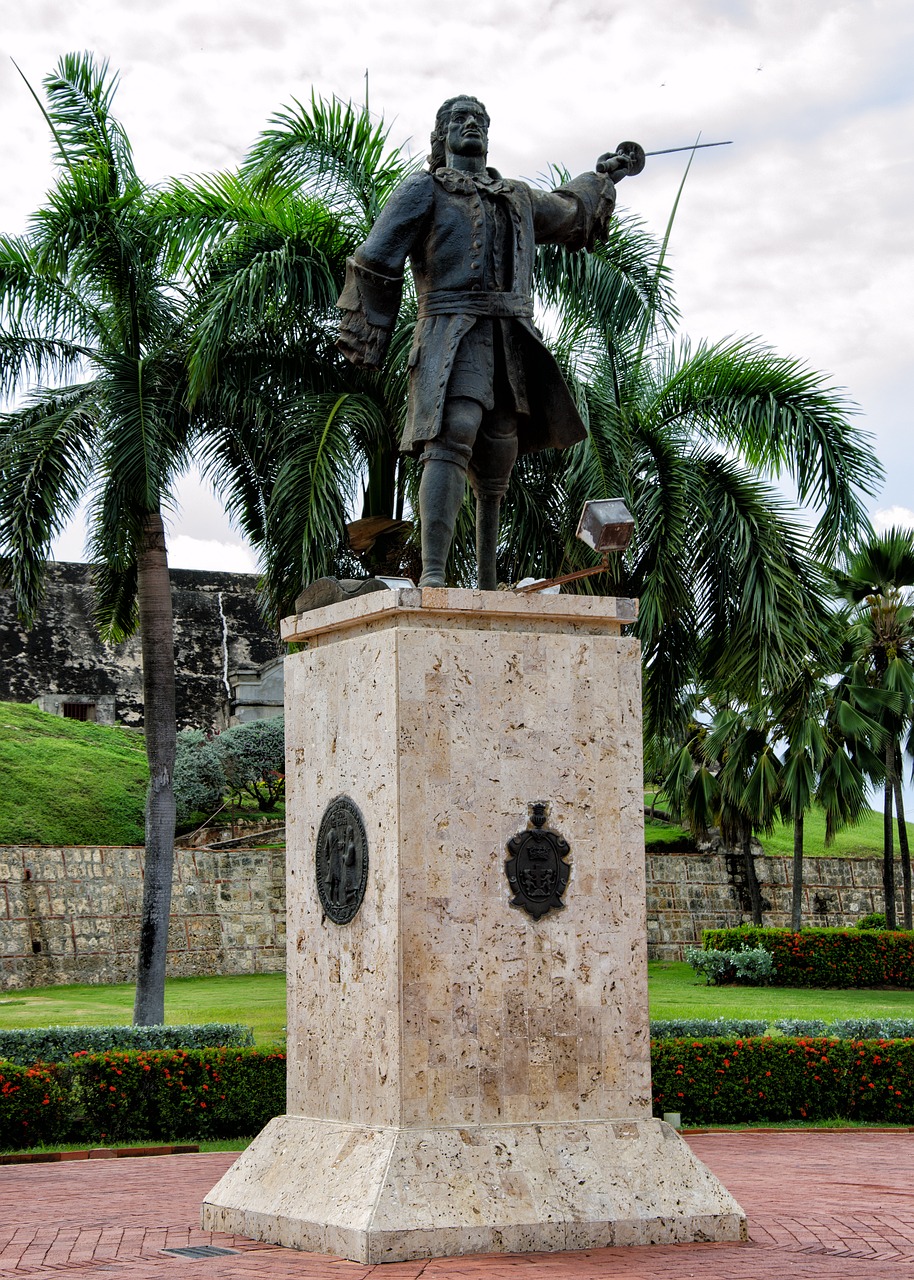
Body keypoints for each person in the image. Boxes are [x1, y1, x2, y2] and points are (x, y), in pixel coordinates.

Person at [337, 95, 641, 588]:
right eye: (459, 119)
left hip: (509, 336)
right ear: (441, 136)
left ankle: (486, 580)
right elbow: (375, 256)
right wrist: (365, 333)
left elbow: (568, 211)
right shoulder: (425, 189)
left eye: (479, 119)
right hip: (450, 332)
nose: (471, 124)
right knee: (453, 430)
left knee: (501, 447)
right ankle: (433, 575)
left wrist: (606, 176)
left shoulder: (516, 196)